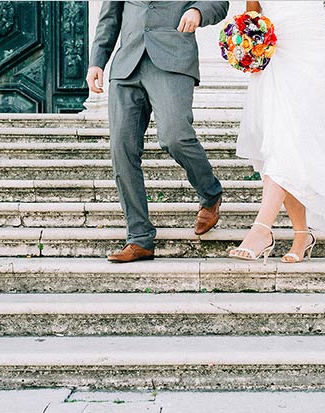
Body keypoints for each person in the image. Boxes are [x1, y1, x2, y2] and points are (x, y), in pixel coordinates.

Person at [229, 0, 325, 264]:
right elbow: (252, 11)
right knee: (279, 139)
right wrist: (246, 44)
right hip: (273, 52)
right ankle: (302, 234)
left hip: (307, 47)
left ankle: (261, 229)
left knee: (289, 136)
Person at [87, 1, 229, 263]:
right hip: (126, 65)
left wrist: (198, 12)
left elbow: (219, 2)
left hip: (173, 58)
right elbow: (110, 16)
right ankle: (139, 237)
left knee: (174, 136)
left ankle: (210, 193)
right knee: (122, 150)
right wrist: (97, 61)